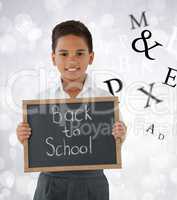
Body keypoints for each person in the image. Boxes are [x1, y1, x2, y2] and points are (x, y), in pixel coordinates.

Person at [16, 20, 127, 200]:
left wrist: (120, 133)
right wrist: (23, 136)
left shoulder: (103, 99)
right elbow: (34, 143)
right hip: (51, 183)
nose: (72, 60)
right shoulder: (42, 100)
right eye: (64, 54)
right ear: (53, 58)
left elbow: (117, 137)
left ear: (90, 57)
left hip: (92, 182)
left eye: (79, 53)